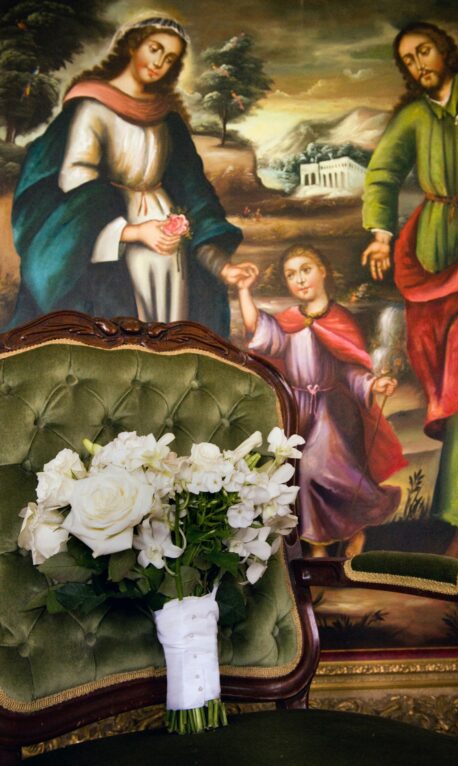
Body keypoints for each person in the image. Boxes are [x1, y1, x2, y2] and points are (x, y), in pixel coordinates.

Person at [360, 22, 458, 561]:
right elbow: (381, 172)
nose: (418, 63)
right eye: (407, 60)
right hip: (431, 255)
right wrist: (380, 233)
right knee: (450, 377)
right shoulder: (416, 117)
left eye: (423, 50)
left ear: (444, 50)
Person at [7, 15, 256, 337]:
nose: (159, 63)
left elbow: (195, 195)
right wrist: (135, 233)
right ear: (131, 46)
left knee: (169, 334)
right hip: (113, 245)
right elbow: (75, 192)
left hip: (168, 249)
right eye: (154, 49)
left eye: (169, 59)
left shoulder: (166, 120)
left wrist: (224, 266)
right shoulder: (91, 108)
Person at [238, 245, 406, 558]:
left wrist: (375, 382)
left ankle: (352, 533)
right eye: (291, 275)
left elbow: (352, 370)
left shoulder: (340, 320)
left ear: (323, 271)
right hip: (297, 409)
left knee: (327, 475)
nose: (299, 280)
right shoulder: (289, 321)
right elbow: (259, 331)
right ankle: (317, 550)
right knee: (301, 478)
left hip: (332, 413)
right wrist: (245, 291)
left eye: (306, 270)